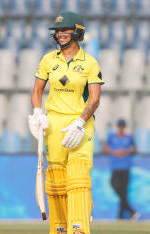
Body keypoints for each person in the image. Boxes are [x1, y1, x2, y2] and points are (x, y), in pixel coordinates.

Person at [28, 11, 104, 234]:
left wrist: (80, 122)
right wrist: (36, 113)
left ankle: (79, 228)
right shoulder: (48, 60)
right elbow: (37, 91)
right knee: (57, 179)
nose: (60, 34)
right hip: (54, 124)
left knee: (78, 175)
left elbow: (95, 98)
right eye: (58, 30)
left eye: (65, 30)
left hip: (81, 123)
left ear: (77, 32)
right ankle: (59, 228)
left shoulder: (89, 62)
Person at [103, 119, 140, 220]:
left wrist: (125, 151)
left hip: (125, 167)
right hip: (115, 167)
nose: (121, 128)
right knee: (114, 185)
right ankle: (131, 211)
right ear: (117, 127)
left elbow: (134, 149)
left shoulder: (129, 137)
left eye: (122, 126)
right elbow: (105, 148)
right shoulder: (112, 136)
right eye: (119, 126)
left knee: (123, 191)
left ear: (124, 127)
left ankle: (121, 216)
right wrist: (114, 152)